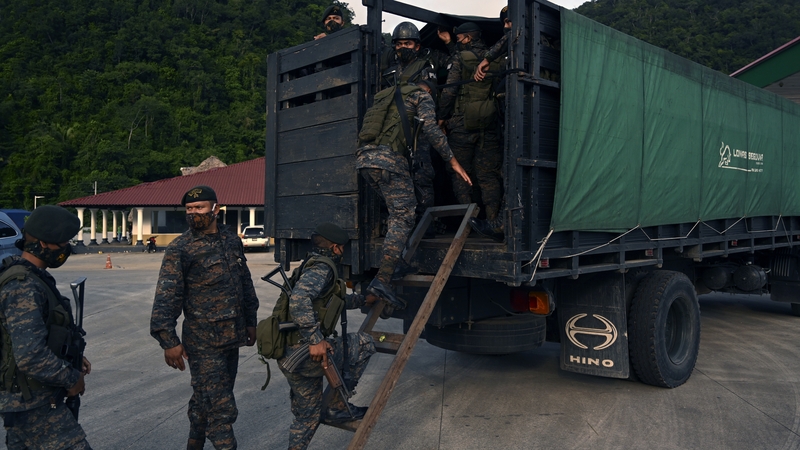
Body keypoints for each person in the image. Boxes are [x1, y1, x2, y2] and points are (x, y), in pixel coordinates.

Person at [150, 185, 259, 450]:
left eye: (199, 208)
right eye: (189, 209)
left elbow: (244, 282)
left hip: (231, 336)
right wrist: (169, 341)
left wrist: (250, 320)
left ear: (215, 209)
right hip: (202, 342)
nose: (193, 213)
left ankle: (194, 443)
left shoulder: (231, 240)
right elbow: (167, 297)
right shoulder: (180, 248)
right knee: (221, 406)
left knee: (205, 397)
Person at [356, 74, 471, 307]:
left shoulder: (387, 97)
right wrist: (453, 161)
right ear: (429, 92)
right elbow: (431, 130)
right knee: (403, 216)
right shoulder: (422, 97)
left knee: (396, 212)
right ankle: (383, 279)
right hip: (389, 163)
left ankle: (395, 263)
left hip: (365, 161)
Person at [0, 205, 92, 449]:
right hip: (32, 404)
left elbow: (43, 333)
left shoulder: (35, 277)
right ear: (42, 243)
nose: (66, 249)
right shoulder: (23, 286)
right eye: (62, 243)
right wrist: (71, 378)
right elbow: (30, 356)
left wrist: (70, 356)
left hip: (32, 400)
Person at [278, 223, 376, 450]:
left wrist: (363, 300)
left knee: (307, 416)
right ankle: (339, 406)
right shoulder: (322, 268)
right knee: (364, 343)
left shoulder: (309, 264)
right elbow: (299, 298)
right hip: (304, 353)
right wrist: (315, 339)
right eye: (342, 248)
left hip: (289, 353)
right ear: (335, 248)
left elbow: (331, 302)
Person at [438, 22, 504, 226]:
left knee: (460, 174)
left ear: (467, 38)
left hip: (461, 125)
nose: (458, 42)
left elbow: (449, 91)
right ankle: (493, 221)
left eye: (459, 39)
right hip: (488, 124)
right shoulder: (494, 59)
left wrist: (440, 117)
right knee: (488, 175)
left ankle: (470, 223)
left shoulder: (460, 58)